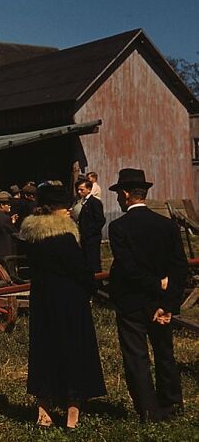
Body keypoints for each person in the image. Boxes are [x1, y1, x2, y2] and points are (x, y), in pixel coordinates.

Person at [20, 184, 106, 428]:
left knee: (45, 352)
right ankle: (72, 415)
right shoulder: (66, 238)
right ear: (53, 210)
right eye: (63, 207)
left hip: (43, 302)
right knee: (73, 353)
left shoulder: (33, 237)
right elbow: (81, 271)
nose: (68, 210)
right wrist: (92, 288)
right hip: (70, 303)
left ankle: (43, 411)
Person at [108, 168, 187, 422]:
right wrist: (168, 301)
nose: (119, 199)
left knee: (136, 357)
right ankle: (172, 403)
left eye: (120, 194)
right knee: (165, 353)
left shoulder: (118, 228)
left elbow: (129, 268)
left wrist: (155, 284)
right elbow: (179, 267)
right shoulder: (167, 225)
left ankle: (149, 410)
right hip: (160, 305)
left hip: (131, 302)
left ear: (127, 193)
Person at [76, 180, 106, 273]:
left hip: (92, 237)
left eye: (82, 190)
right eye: (78, 190)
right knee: (86, 260)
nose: (79, 192)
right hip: (85, 237)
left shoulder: (94, 202)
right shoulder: (83, 202)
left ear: (89, 189)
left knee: (93, 261)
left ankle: (97, 282)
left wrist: (91, 232)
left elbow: (100, 220)